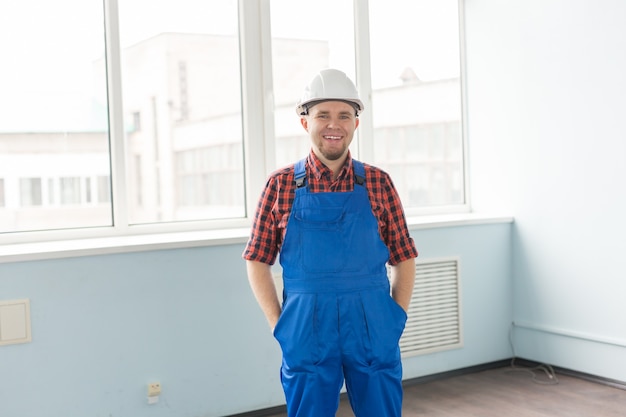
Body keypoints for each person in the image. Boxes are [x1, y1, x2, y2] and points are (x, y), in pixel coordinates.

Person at [242, 68, 418, 417]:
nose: (334, 125)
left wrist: (394, 316)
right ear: (306, 122)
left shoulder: (379, 183)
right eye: (323, 115)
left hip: (372, 325)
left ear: (355, 122)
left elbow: (404, 256)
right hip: (306, 329)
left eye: (344, 115)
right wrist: (279, 324)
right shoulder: (280, 186)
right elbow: (256, 260)